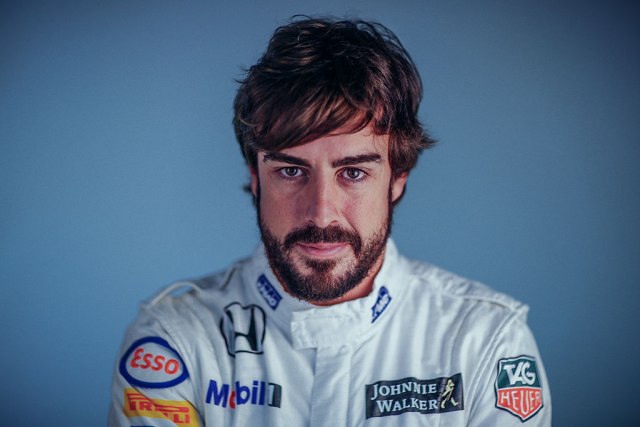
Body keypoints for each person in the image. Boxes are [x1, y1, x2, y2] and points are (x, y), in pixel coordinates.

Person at [109, 17, 551, 426]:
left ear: (397, 179)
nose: (321, 212)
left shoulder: (485, 342)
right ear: (255, 178)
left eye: (353, 173)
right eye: (291, 170)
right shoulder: (174, 343)